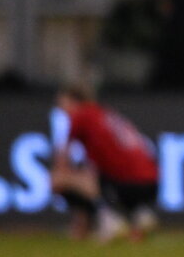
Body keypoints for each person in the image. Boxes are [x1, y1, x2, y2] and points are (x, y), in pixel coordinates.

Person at [51, 82, 159, 242]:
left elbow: (62, 160)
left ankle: (108, 220)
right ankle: (139, 214)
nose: (61, 109)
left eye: (62, 103)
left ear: (74, 101)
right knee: (93, 172)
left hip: (125, 182)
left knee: (59, 179)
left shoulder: (81, 116)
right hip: (151, 183)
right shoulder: (105, 113)